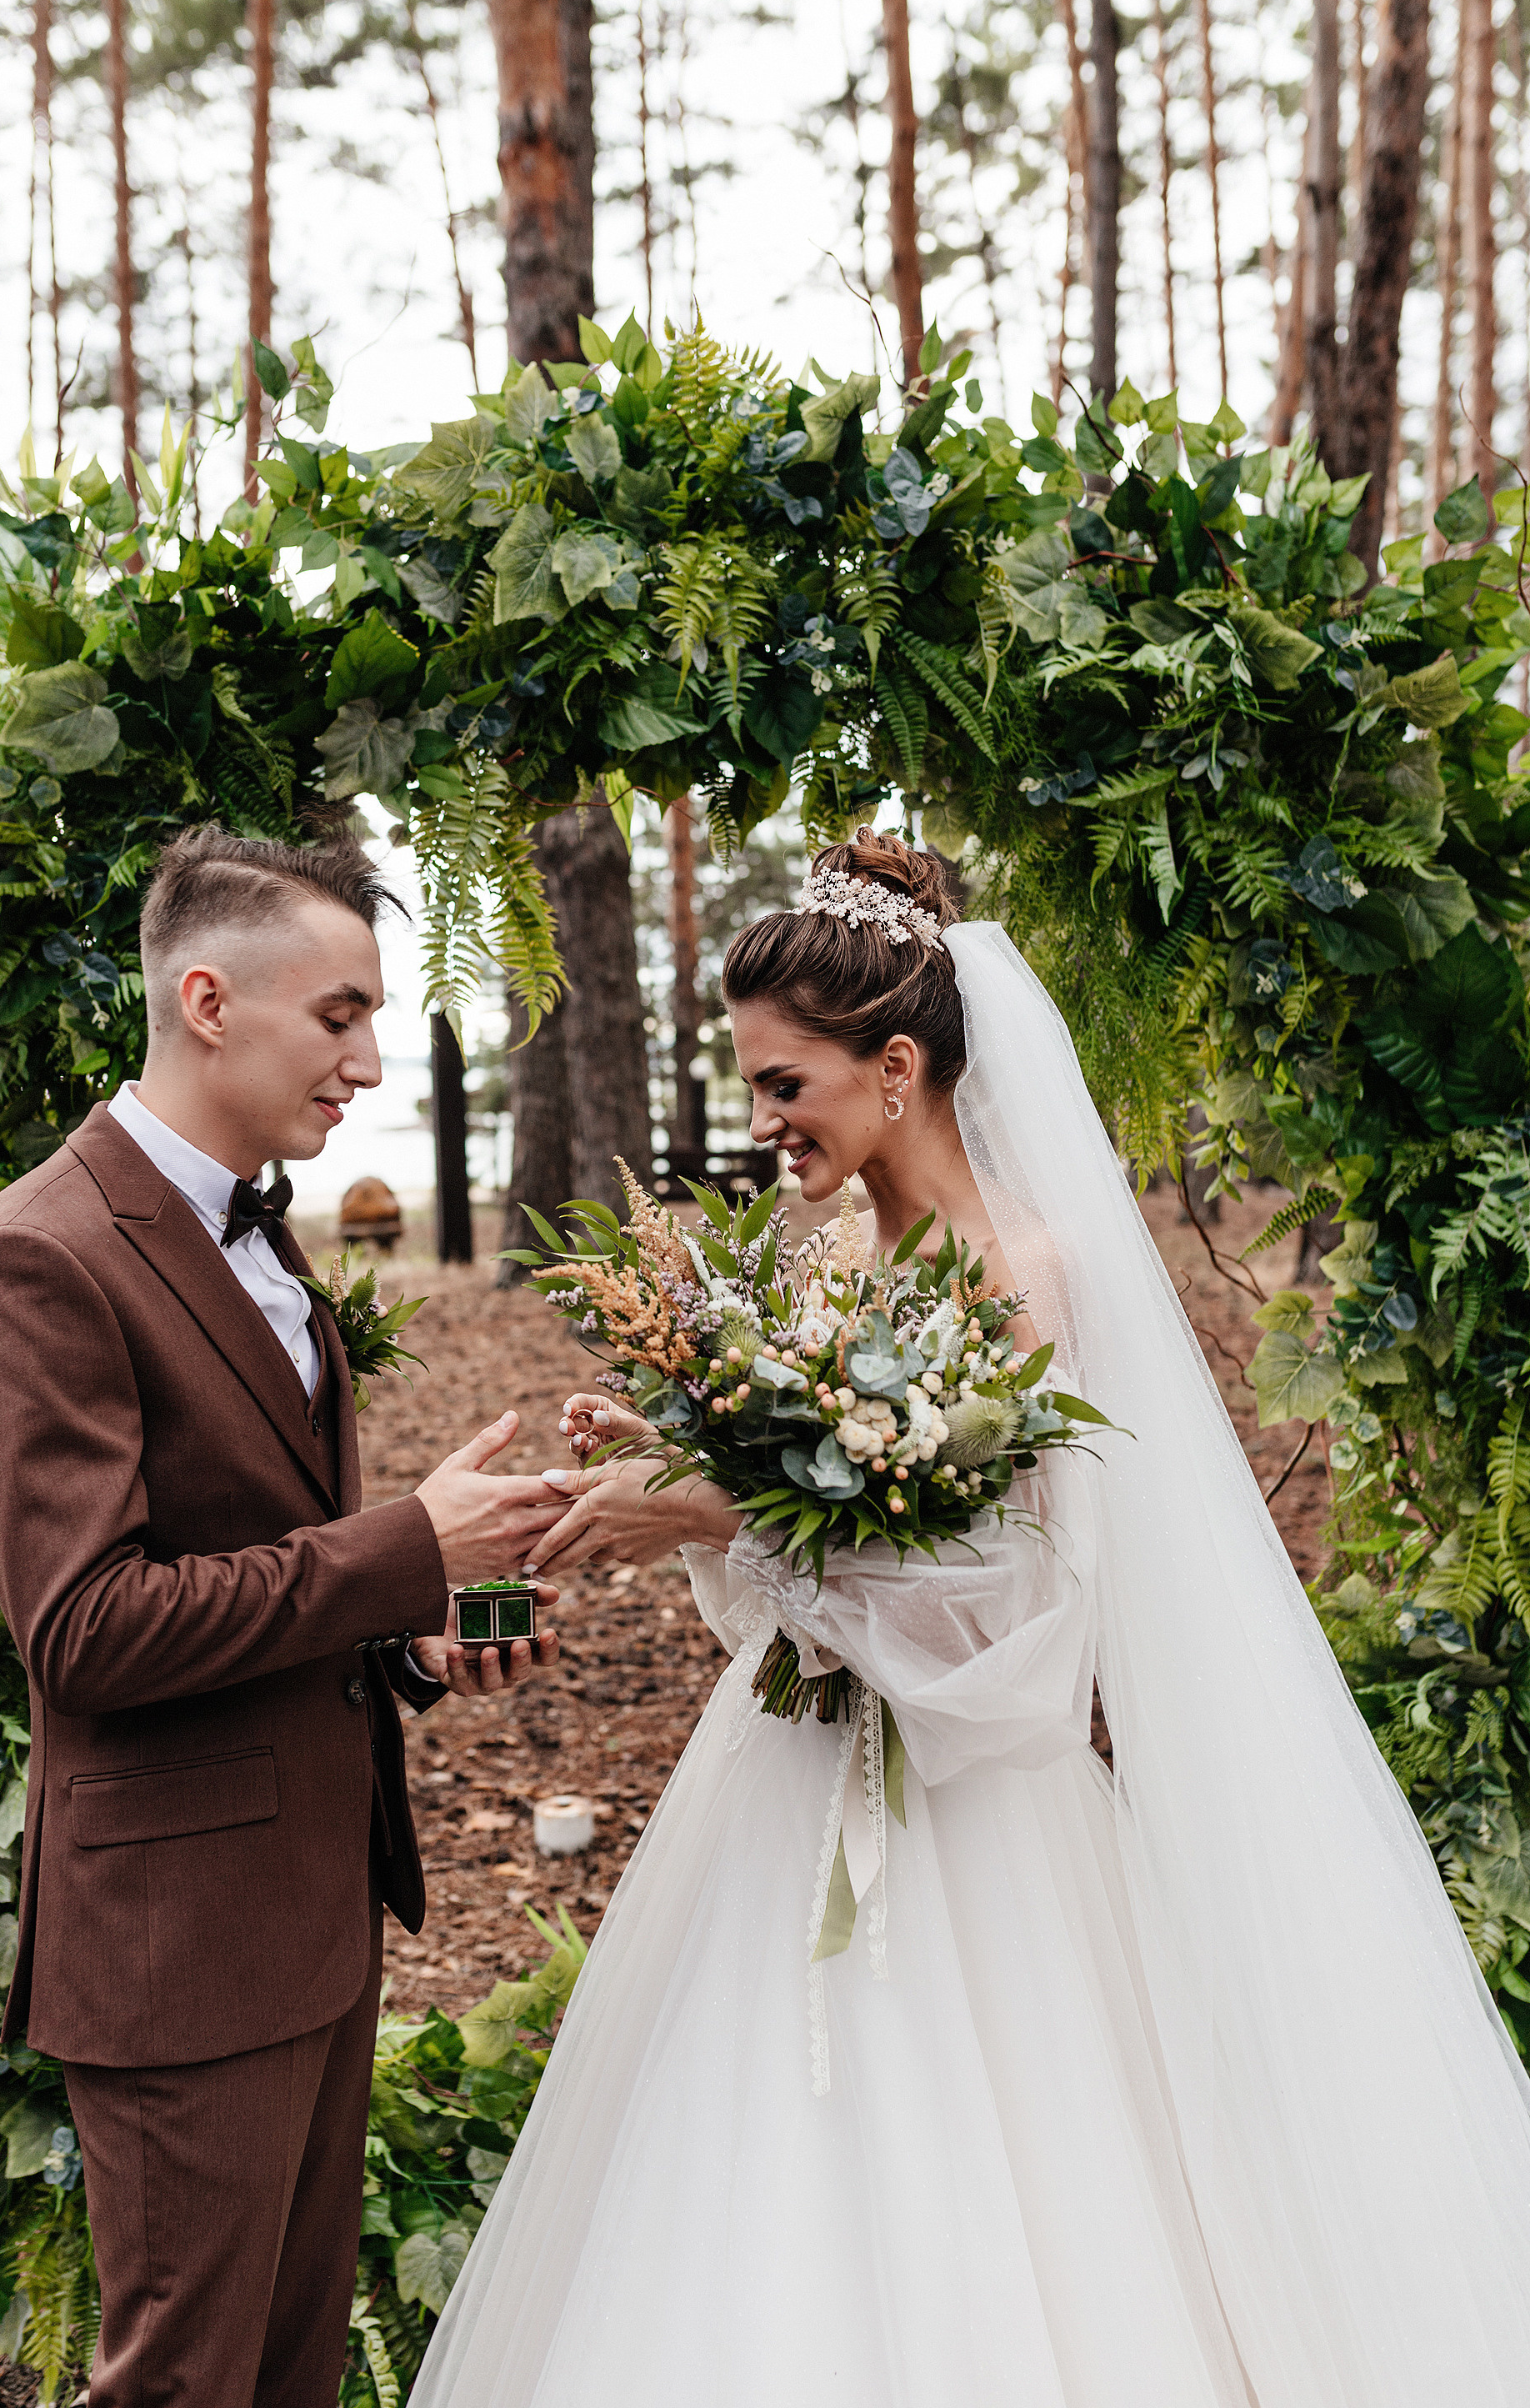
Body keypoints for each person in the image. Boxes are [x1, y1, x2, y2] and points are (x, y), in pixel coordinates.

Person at [411, 832, 1530, 2408]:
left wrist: (723, 1509)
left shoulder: (1021, 1279)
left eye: (786, 1084)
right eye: (755, 1086)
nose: (766, 1122)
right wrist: (683, 1459)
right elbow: (826, 1553)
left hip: (975, 1823)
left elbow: (1016, 1614)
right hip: (793, 1786)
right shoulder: (830, 1270)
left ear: (897, 1064)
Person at [0, 826, 566, 2408]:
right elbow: (84, 1631)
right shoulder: (37, 1256)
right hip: (178, 1943)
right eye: (337, 1016)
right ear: (207, 999)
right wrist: (400, 1548)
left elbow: (260, 1560)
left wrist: (416, 1628)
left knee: (286, 2378)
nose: (367, 1059)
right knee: (184, 2386)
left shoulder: (262, 1230)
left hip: (310, 1910)